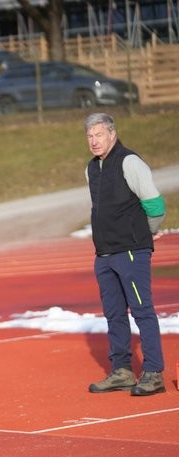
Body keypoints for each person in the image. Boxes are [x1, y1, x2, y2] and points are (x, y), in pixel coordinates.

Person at [84, 113, 166, 396]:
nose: (94, 141)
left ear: (112, 134)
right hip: (104, 254)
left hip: (131, 251)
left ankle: (153, 372)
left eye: (99, 135)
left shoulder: (129, 162)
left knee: (142, 311)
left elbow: (154, 204)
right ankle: (122, 370)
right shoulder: (91, 169)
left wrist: (146, 233)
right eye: (90, 136)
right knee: (113, 313)